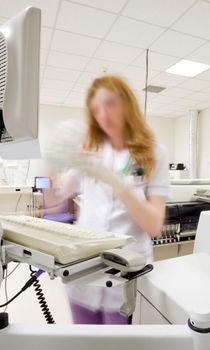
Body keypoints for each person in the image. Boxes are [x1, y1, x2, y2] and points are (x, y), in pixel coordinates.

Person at [54, 76, 170, 325]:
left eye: (110, 104)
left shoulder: (154, 153)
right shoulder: (91, 149)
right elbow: (61, 190)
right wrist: (59, 161)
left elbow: (154, 226)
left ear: (127, 103)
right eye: (96, 109)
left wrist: (118, 184)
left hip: (126, 274)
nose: (103, 115)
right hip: (83, 271)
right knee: (86, 343)